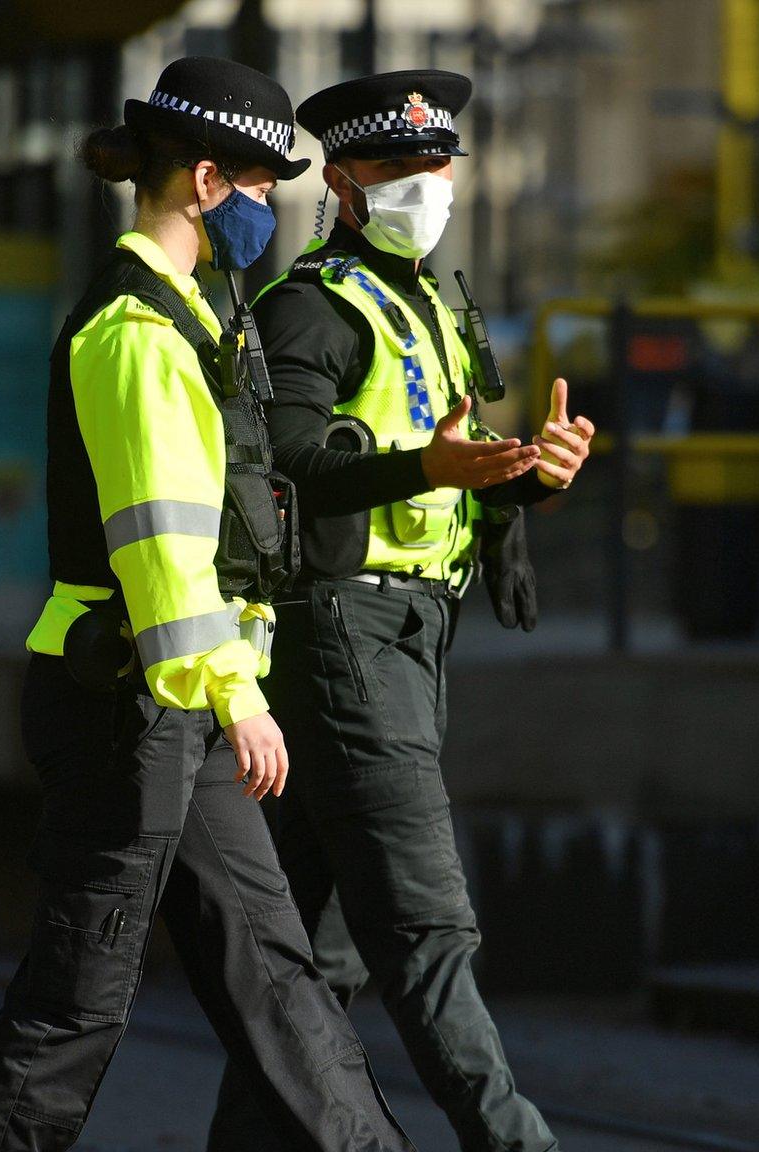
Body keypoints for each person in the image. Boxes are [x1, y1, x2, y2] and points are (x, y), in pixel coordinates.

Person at [0, 57, 414, 1152]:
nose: (267, 207)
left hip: (179, 707)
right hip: (125, 703)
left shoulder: (193, 319)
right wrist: (235, 695)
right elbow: (159, 549)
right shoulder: (135, 334)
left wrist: (225, 695)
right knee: (76, 997)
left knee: (278, 979)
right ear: (205, 180)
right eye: (258, 185)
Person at [207, 71, 594, 1152]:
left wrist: (527, 479)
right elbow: (285, 460)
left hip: (415, 639)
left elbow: (447, 472)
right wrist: (428, 459)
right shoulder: (310, 308)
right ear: (339, 182)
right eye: (396, 169)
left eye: (437, 167)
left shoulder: (433, 304)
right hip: (343, 635)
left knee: (313, 967)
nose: (425, 185)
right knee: (424, 933)